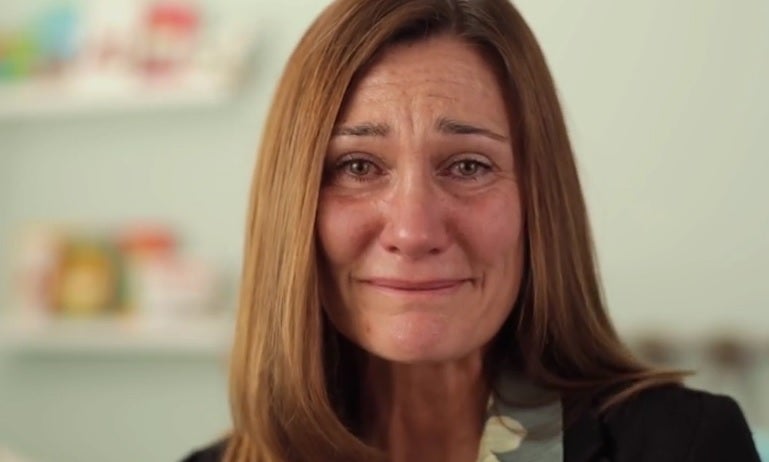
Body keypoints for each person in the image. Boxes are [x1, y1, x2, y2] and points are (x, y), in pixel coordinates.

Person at [183, 0, 761, 461]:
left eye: (468, 166)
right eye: (357, 166)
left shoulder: (687, 446)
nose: (413, 231)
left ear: (539, 201)